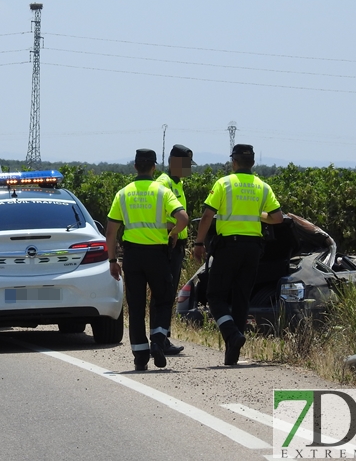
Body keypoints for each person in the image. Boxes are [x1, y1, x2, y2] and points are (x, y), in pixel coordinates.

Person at [192, 144, 283, 366]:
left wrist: (198, 242)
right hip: (252, 250)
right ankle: (232, 354)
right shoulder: (262, 186)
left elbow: (207, 216)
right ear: (252, 162)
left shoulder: (224, 184)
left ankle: (232, 333)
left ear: (234, 162)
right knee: (242, 298)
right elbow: (277, 218)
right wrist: (256, 215)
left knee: (215, 296)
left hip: (228, 248)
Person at [106, 149, 189, 371]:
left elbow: (111, 231)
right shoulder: (162, 191)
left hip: (132, 256)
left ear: (135, 167)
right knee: (162, 299)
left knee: (136, 306)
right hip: (157, 255)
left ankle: (140, 356)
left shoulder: (123, 194)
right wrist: (172, 234)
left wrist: (112, 260)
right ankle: (158, 340)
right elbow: (183, 218)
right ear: (154, 167)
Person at [153, 144, 195, 355]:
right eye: (184, 164)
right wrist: (174, 230)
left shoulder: (177, 183)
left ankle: (163, 337)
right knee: (164, 293)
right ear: (172, 162)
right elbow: (157, 217)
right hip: (168, 244)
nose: (188, 169)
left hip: (176, 245)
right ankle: (161, 338)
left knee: (169, 294)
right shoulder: (164, 183)